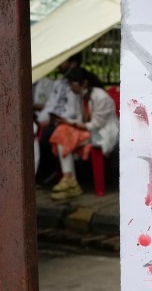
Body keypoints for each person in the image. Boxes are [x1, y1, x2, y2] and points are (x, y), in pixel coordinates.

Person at [47, 67, 120, 200]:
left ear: (84, 83)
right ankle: (70, 180)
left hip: (102, 133)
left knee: (63, 134)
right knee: (61, 131)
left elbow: (95, 125)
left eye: (72, 84)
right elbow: (81, 119)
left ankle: (69, 180)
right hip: (88, 130)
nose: (70, 87)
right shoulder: (81, 95)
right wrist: (66, 122)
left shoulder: (101, 97)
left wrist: (71, 123)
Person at [34, 53, 83, 186]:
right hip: (52, 119)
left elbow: (74, 111)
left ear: (73, 63)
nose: (60, 63)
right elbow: (50, 105)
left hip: (67, 122)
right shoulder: (59, 83)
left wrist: (54, 120)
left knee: (45, 139)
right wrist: (40, 120)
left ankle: (48, 176)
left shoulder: (77, 83)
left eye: (64, 60)